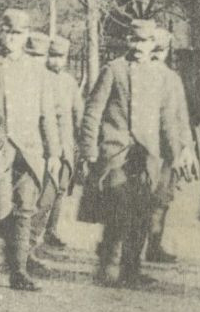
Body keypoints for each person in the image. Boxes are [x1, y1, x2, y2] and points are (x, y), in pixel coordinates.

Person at [81, 21, 189, 287]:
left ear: (154, 43)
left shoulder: (163, 77)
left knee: (142, 211)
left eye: (146, 41)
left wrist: (177, 153)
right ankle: (107, 263)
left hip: (148, 155)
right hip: (116, 151)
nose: (140, 47)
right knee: (119, 204)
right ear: (128, 40)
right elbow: (93, 111)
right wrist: (89, 150)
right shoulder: (113, 70)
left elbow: (168, 121)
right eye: (136, 41)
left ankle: (131, 270)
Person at [0, 9, 58, 291]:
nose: (12, 39)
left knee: (25, 207)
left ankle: (18, 271)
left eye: (18, 33)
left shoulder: (37, 70)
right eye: (8, 32)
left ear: (26, 35)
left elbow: (47, 115)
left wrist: (53, 152)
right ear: (0, 33)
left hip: (28, 149)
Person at [145, 28, 192, 264]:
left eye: (160, 51)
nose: (156, 55)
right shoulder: (140, 75)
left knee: (162, 198)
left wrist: (186, 148)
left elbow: (181, 116)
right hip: (147, 147)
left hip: (166, 149)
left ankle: (154, 245)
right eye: (153, 50)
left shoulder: (172, 79)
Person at [36, 34, 83, 252]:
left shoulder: (70, 82)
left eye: (61, 57)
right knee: (44, 190)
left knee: (60, 188)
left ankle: (51, 230)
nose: (56, 61)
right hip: (44, 144)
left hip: (66, 144)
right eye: (52, 56)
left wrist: (79, 142)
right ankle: (31, 234)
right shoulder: (40, 78)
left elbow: (78, 113)